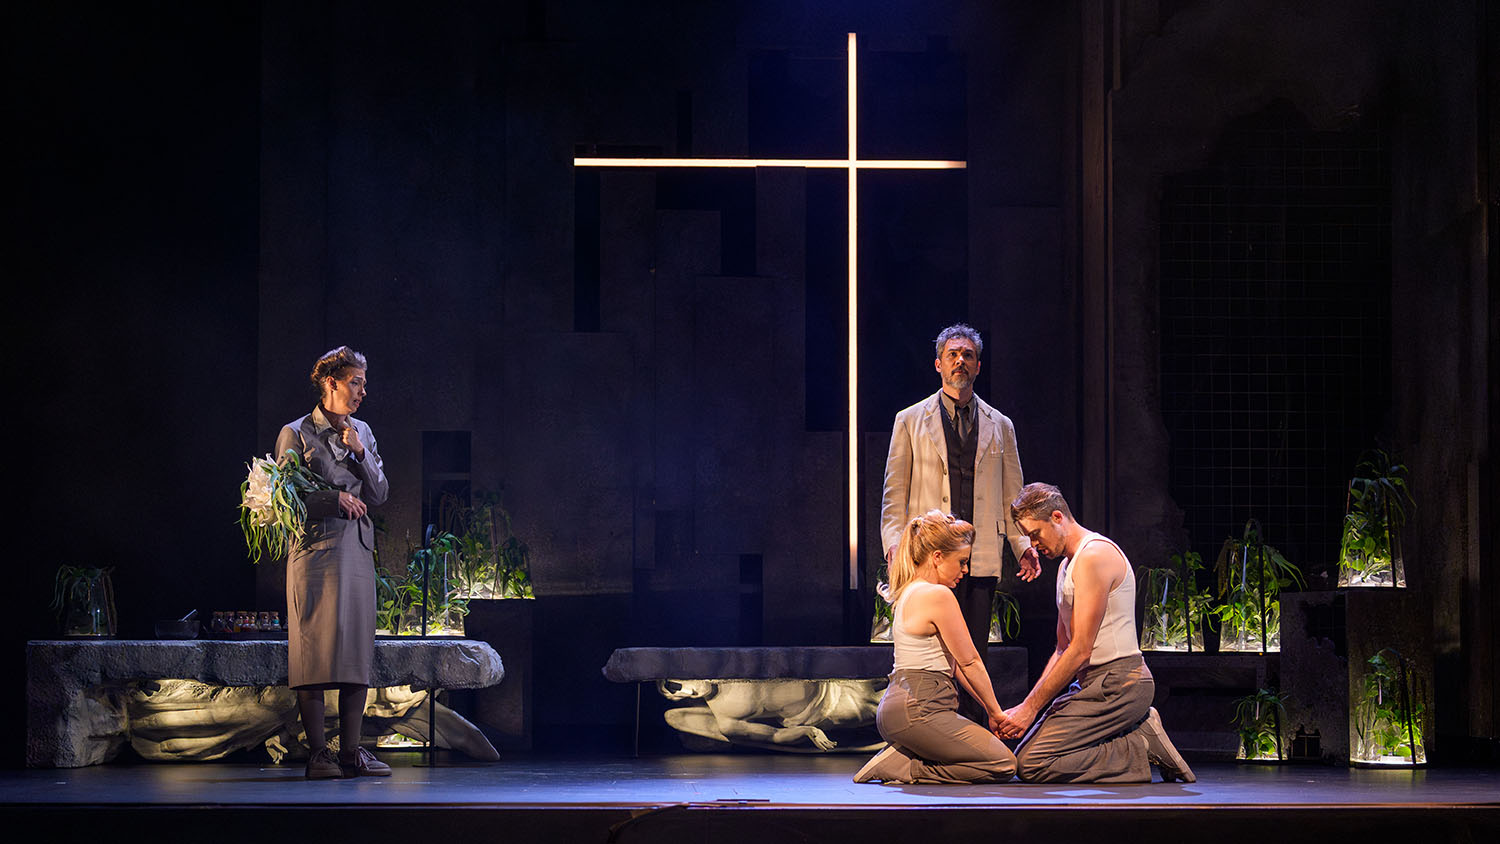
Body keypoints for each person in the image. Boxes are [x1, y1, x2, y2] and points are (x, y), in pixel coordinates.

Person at [880, 323, 1040, 719]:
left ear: (978, 366)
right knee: (932, 650)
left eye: (968, 355)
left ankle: (970, 730)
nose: (960, 361)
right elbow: (894, 493)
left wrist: (1022, 544)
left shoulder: (1000, 424)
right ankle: (929, 725)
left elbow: (1013, 495)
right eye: (952, 354)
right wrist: (894, 544)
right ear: (938, 364)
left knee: (972, 653)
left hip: (979, 556)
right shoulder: (910, 420)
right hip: (928, 557)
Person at [996, 483, 1195, 783]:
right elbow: (1062, 648)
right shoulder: (1067, 566)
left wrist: (1031, 708)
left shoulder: (1095, 555)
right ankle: (1138, 732)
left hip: (1119, 682)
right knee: (1026, 757)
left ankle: (1139, 745)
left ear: (1057, 517)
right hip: (1091, 683)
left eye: (1035, 534)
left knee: (1034, 764)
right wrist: (1028, 706)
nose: (1034, 544)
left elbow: (1081, 649)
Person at [274, 346, 391, 779]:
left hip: (356, 551)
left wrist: (359, 452)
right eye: (355, 382)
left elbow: (379, 494)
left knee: (354, 653)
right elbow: (281, 499)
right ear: (331, 383)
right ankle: (319, 754)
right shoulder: (296, 433)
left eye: (364, 383)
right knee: (315, 653)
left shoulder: (363, 431)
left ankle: (351, 752)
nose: (362, 391)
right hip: (315, 554)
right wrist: (331, 499)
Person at [853, 510, 1019, 784]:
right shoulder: (937, 595)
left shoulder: (908, 592)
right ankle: (907, 767)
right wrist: (997, 712)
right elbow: (970, 662)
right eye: (962, 562)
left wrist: (991, 711)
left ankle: (906, 756)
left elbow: (956, 667)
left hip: (901, 707)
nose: (965, 570)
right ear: (938, 556)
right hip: (920, 707)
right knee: (1003, 764)